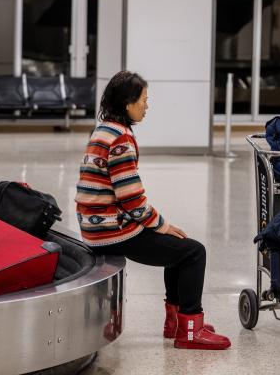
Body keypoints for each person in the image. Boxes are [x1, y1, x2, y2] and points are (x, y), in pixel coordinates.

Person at [75, 71, 231, 350]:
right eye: (143, 100)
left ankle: (176, 323)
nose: (146, 106)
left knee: (178, 248)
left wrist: (159, 225)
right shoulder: (121, 139)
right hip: (113, 231)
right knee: (193, 252)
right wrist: (161, 224)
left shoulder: (102, 129)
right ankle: (190, 330)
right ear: (127, 104)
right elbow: (132, 199)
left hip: (94, 225)